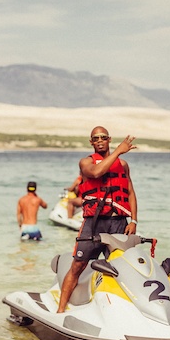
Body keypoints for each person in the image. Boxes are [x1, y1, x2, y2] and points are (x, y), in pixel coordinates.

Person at [56, 126, 138, 313]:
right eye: (96, 138)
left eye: (103, 137)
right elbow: (96, 173)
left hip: (118, 223)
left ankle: (124, 310)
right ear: (91, 142)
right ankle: (60, 310)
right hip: (94, 223)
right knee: (78, 265)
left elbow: (131, 192)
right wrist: (118, 151)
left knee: (123, 267)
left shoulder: (123, 165)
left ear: (109, 139)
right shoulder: (86, 162)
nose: (100, 141)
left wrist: (134, 221)